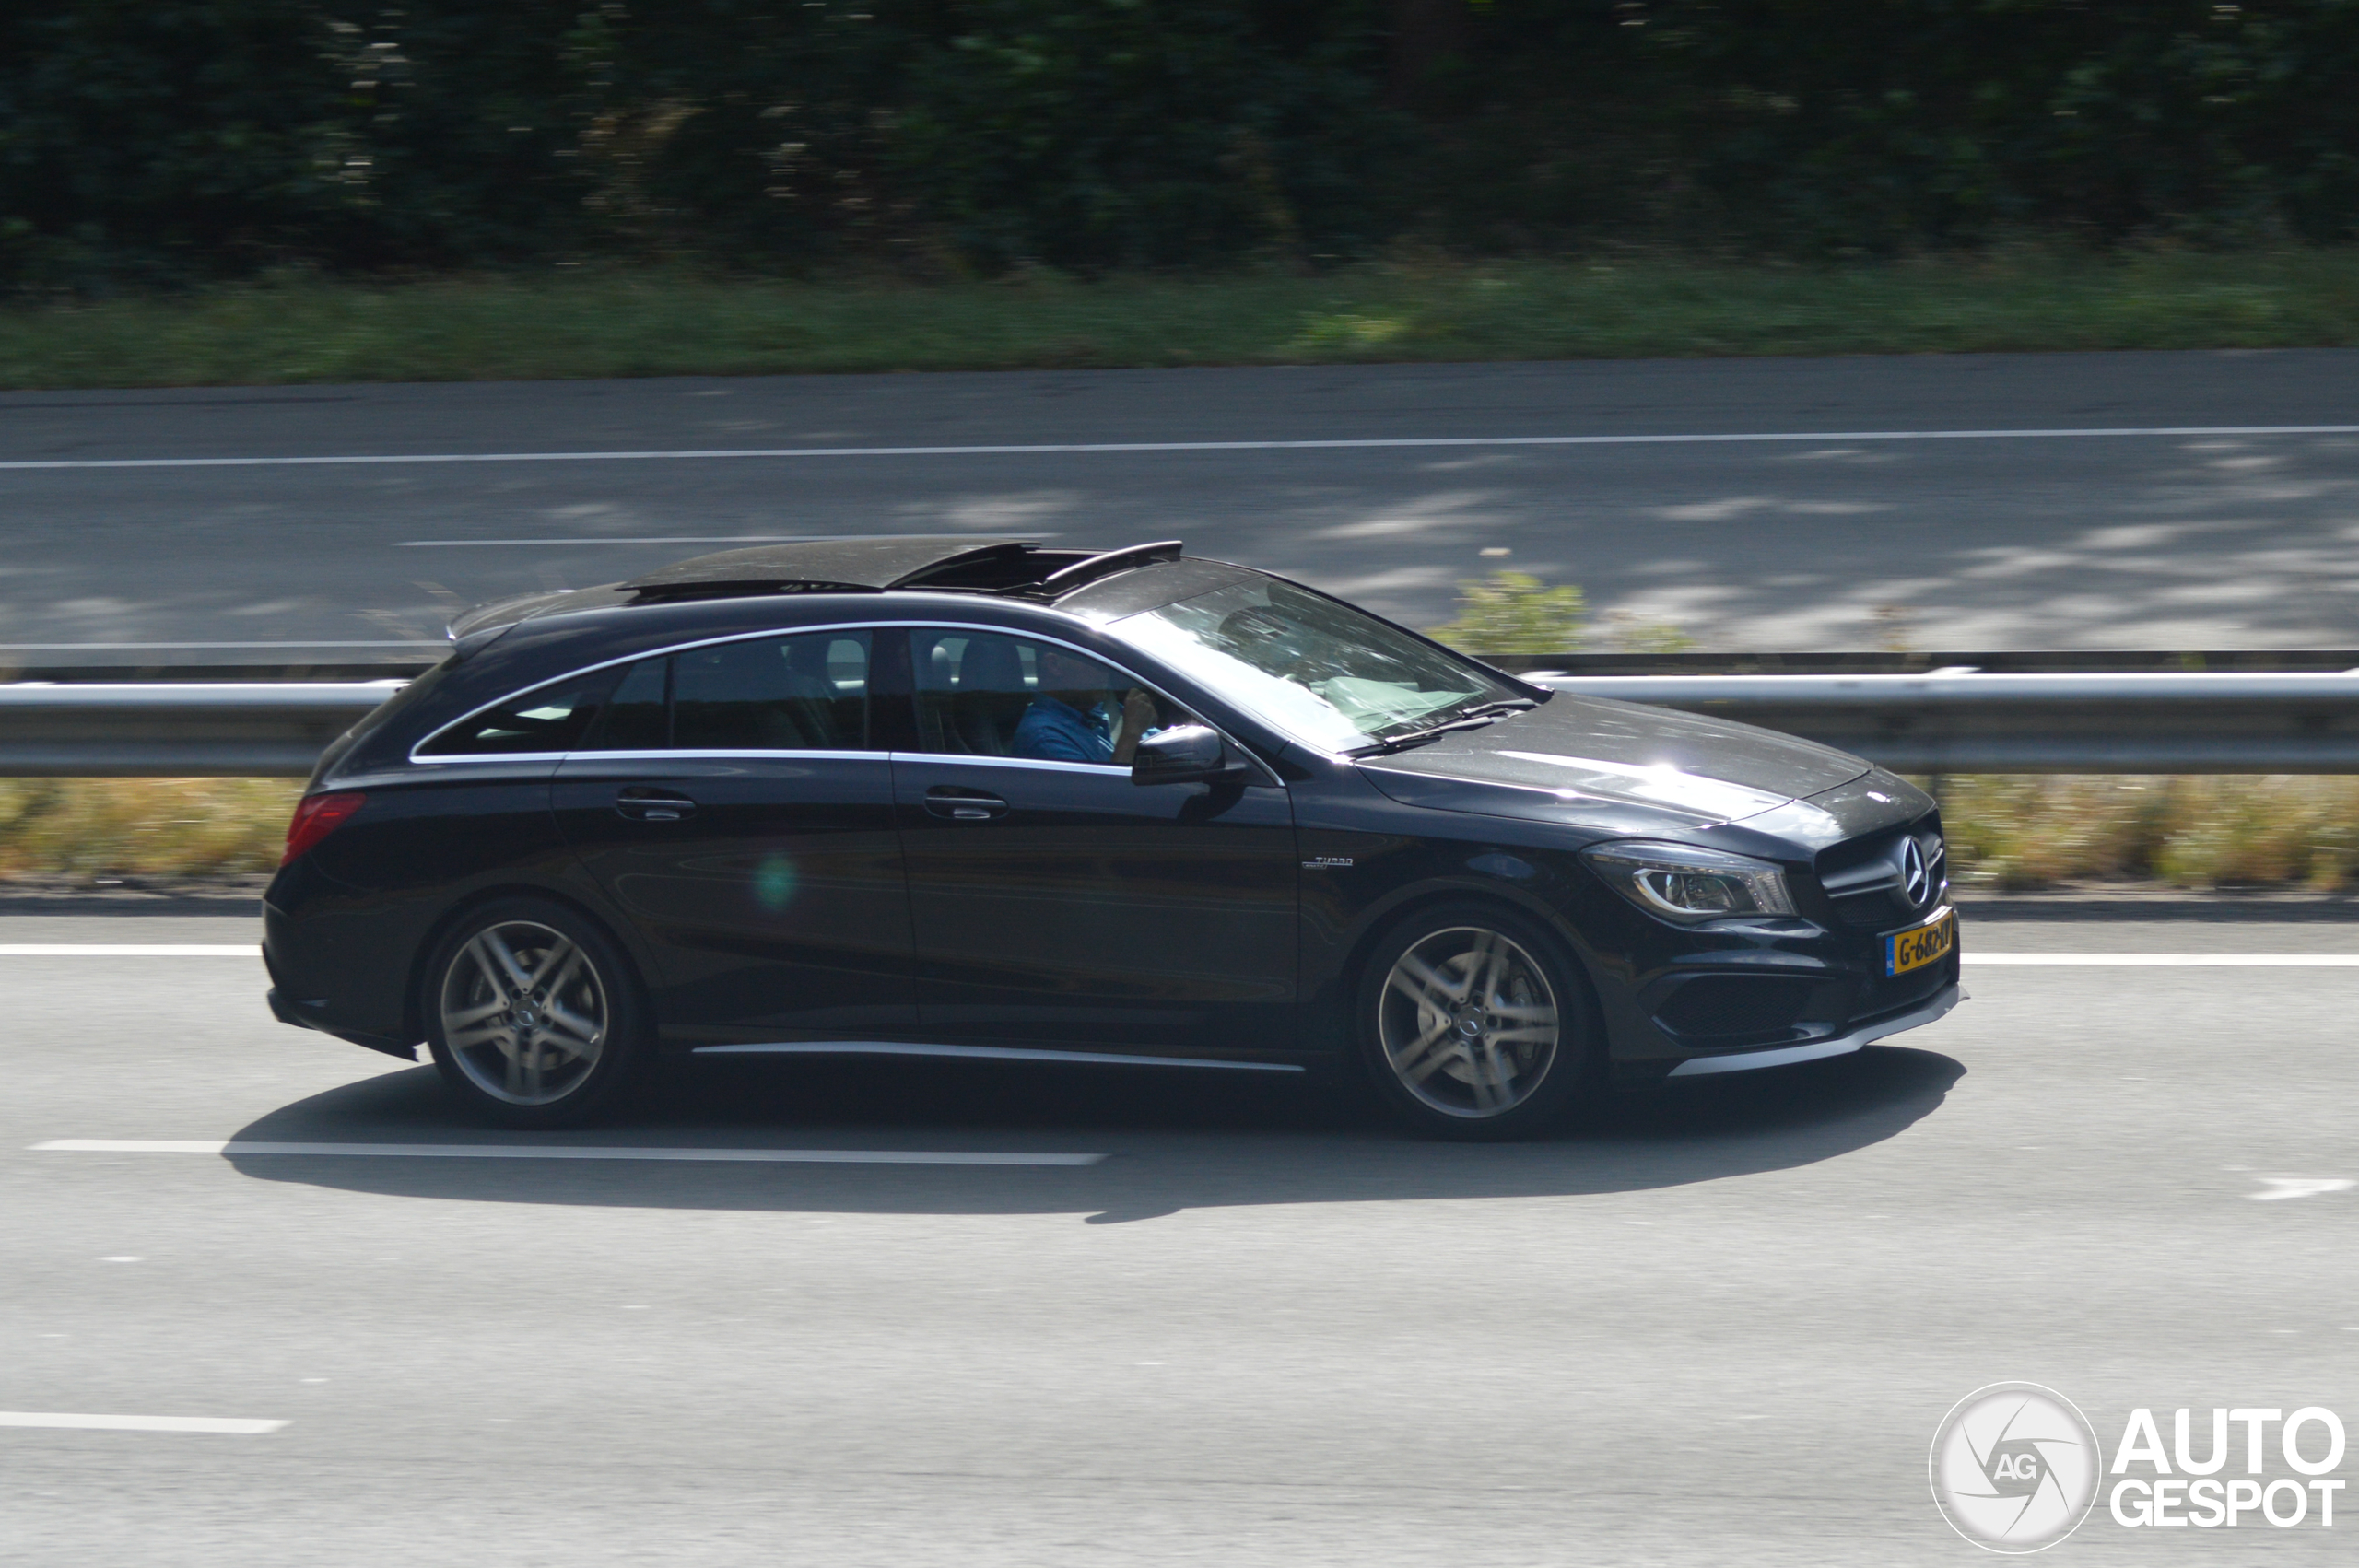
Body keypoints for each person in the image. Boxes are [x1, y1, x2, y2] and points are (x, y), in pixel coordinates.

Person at [1011, 646, 1159, 765]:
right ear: (1054, 665)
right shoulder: (1045, 739)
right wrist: (1131, 733)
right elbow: (1104, 798)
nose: (1105, 669)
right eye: (1093, 661)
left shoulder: (1090, 707)